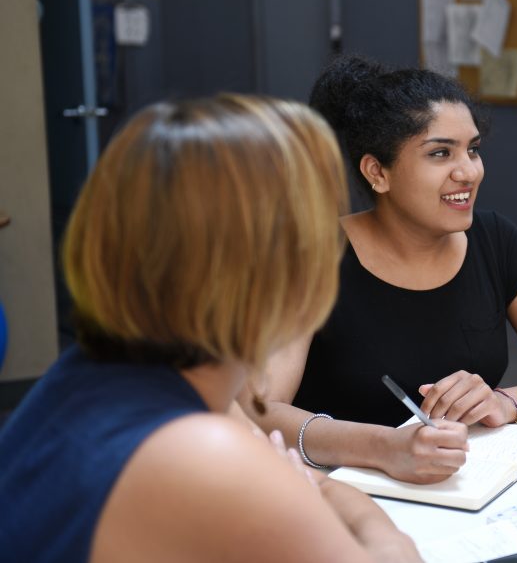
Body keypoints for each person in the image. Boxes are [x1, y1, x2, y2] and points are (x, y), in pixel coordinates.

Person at [0, 95, 420, 562]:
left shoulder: (107, 370)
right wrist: (384, 536)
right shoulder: (201, 450)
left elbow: (315, 486)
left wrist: (303, 496)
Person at [243, 56, 517, 484]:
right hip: (345, 486)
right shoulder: (311, 256)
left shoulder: (495, 240)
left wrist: (502, 401)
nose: (468, 171)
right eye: (440, 153)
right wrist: (385, 447)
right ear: (377, 172)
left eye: (472, 149)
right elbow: (260, 411)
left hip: (463, 482)